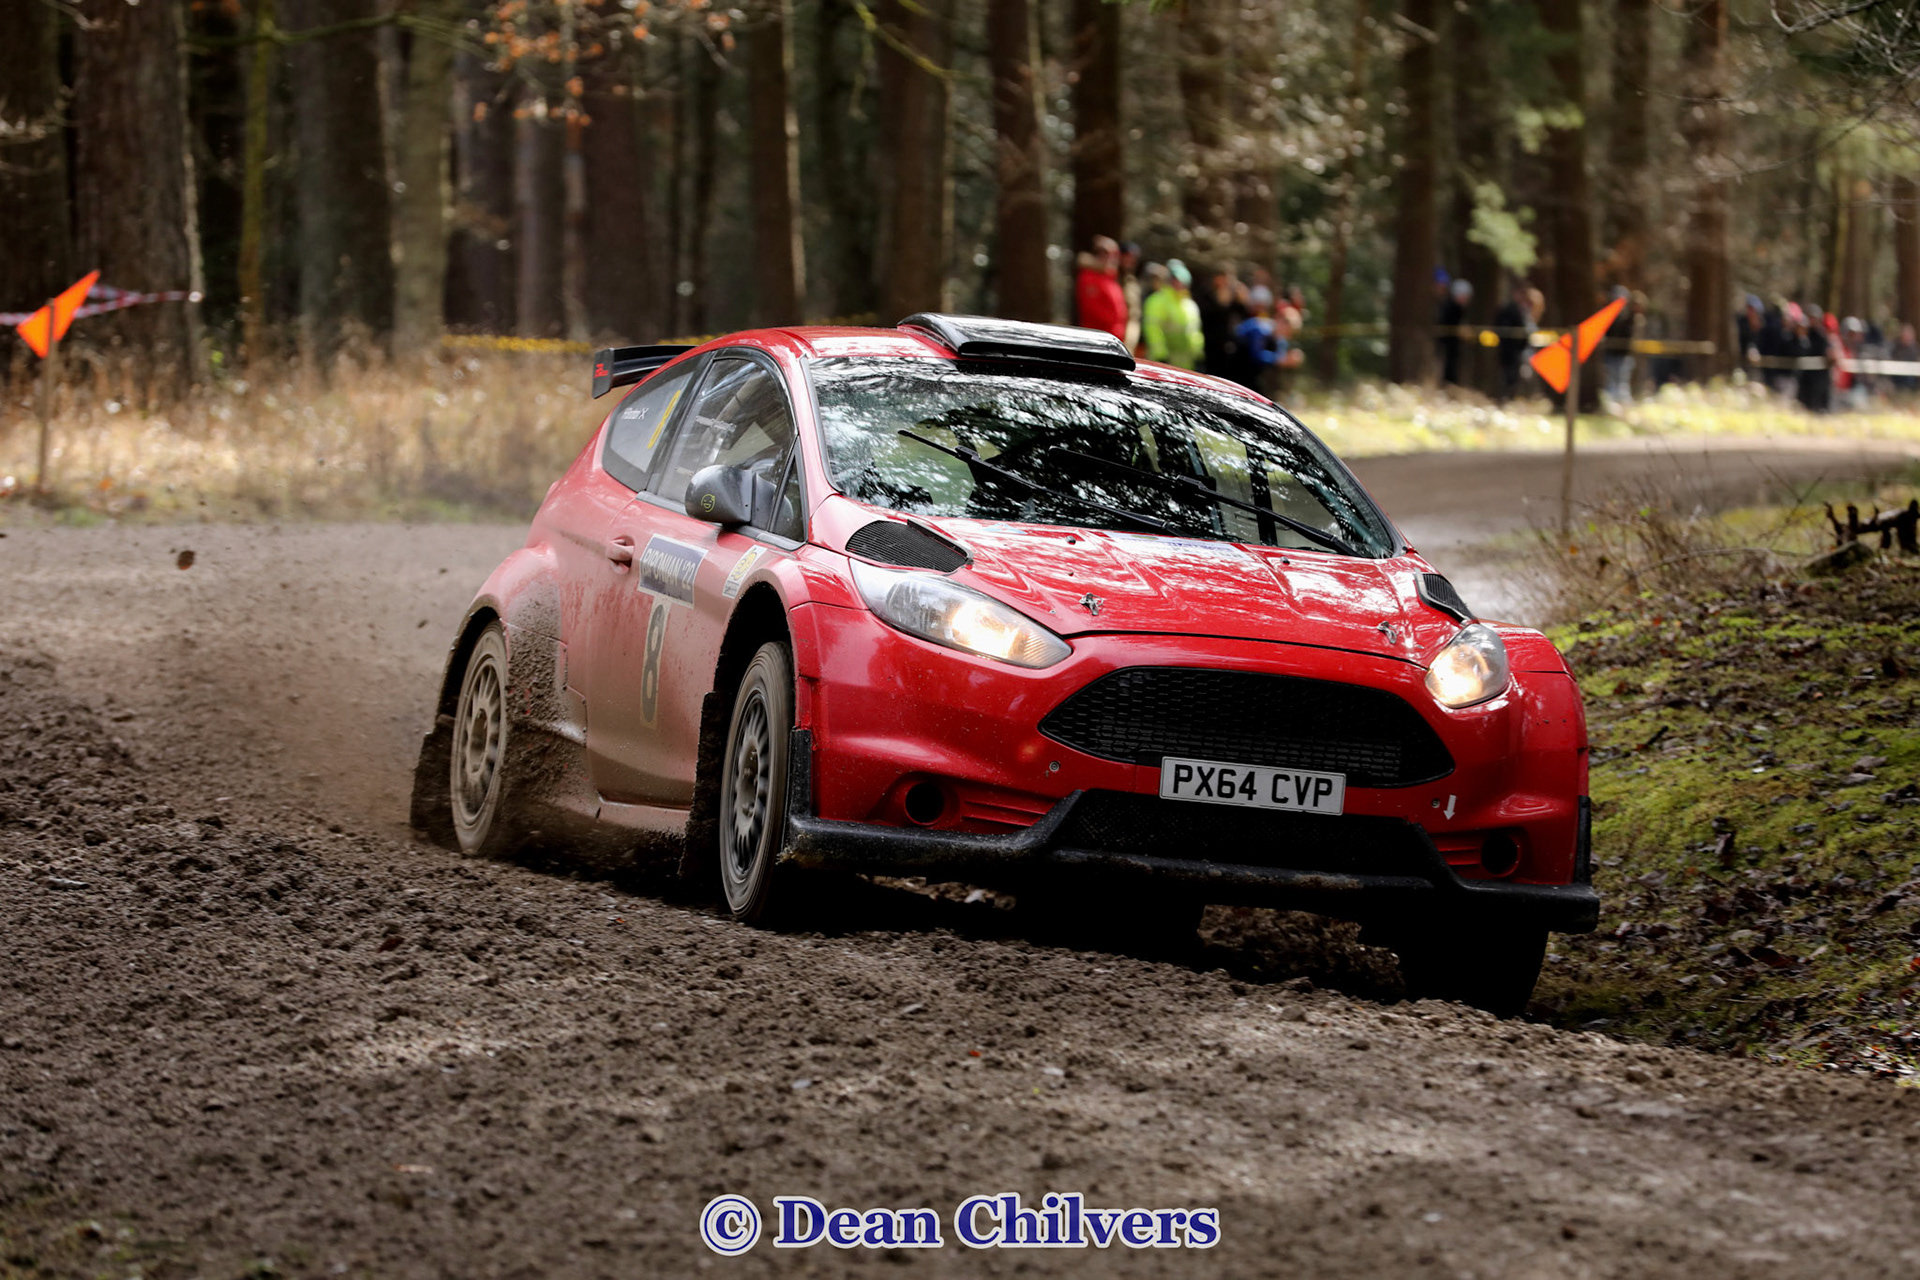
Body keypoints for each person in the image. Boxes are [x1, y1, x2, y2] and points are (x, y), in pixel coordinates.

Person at [1232, 285, 1302, 396]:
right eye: (1287, 330)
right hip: (1233, 371)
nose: (1287, 335)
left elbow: (1278, 357)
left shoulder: (1279, 341)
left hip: (1251, 377)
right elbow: (1255, 356)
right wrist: (1280, 360)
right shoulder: (1259, 328)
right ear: (1280, 320)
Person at [1142, 259, 1205, 370]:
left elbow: (1195, 332)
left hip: (1187, 365)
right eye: (1175, 280)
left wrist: (1198, 354)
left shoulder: (1190, 304)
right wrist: (1160, 354)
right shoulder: (1157, 300)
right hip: (1163, 364)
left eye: (1182, 281)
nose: (1179, 284)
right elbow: (1152, 328)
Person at [1074, 236, 1127, 341]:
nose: (1112, 258)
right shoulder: (1089, 277)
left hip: (1114, 337)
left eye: (1115, 254)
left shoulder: (1110, 278)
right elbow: (1092, 310)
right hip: (1097, 338)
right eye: (1107, 254)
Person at [1196, 269, 1247, 379]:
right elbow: (1206, 317)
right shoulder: (1207, 296)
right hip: (1211, 348)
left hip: (1230, 348)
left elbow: (1242, 315)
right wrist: (1221, 304)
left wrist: (1241, 299)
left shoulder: (1233, 298)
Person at [1492, 283, 1535, 400]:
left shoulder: (1523, 309)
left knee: (1516, 374)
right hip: (1507, 347)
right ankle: (1504, 396)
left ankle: (1513, 396)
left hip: (1518, 348)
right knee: (1507, 373)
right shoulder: (1507, 309)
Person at [1602, 285, 1635, 404]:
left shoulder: (1629, 315)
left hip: (1624, 353)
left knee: (1623, 379)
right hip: (1610, 352)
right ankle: (1611, 400)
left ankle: (1623, 401)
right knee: (1610, 378)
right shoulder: (1608, 314)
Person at [1437, 277, 1472, 386]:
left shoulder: (1459, 309)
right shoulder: (1449, 307)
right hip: (1445, 343)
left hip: (1453, 344)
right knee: (1446, 364)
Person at [1118, 242, 1144, 352]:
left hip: (1127, 333)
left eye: (1134, 257)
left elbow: (1134, 314)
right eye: (1127, 256)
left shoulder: (1131, 282)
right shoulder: (1109, 275)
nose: (1131, 260)